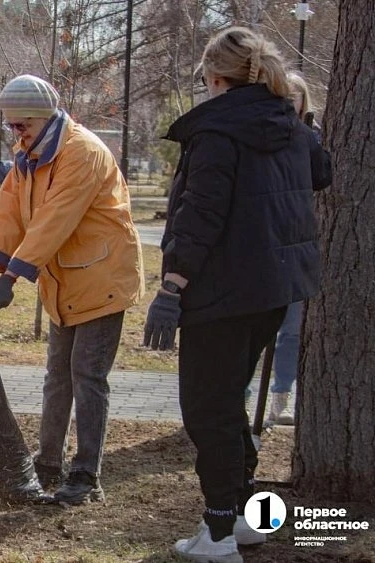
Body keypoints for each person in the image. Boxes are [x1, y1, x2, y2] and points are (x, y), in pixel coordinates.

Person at [142, 27, 329, 561]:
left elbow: (200, 213)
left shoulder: (219, 129)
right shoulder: (287, 124)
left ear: (214, 76)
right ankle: (245, 520)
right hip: (273, 289)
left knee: (209, 412)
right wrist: (308, 127)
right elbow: (321, 174)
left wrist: (172, 286)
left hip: (222, 290)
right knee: (227, 406)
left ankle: (221, 531)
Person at [0, 74, 144, 505]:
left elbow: (54, 220)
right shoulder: (29, 154)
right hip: (64, 281)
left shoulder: (81, 153)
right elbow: (9, 211)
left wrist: (11, 278)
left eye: (19, 125)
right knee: (57, 376)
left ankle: (86, 474)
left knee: (87, 375)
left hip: (102, 279)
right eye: (10, 126)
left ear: (42, 118)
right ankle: (47, 463)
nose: (14, 133)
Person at [266, 72, 327, 426]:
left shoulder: (312, 139)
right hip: (265, 248)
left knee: (291, 330)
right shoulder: (261, 135)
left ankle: (281, 397)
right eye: (284, 95)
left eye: (296, 96)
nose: (290, 102)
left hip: (300, 248)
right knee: (254, 331)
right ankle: (241, 400)